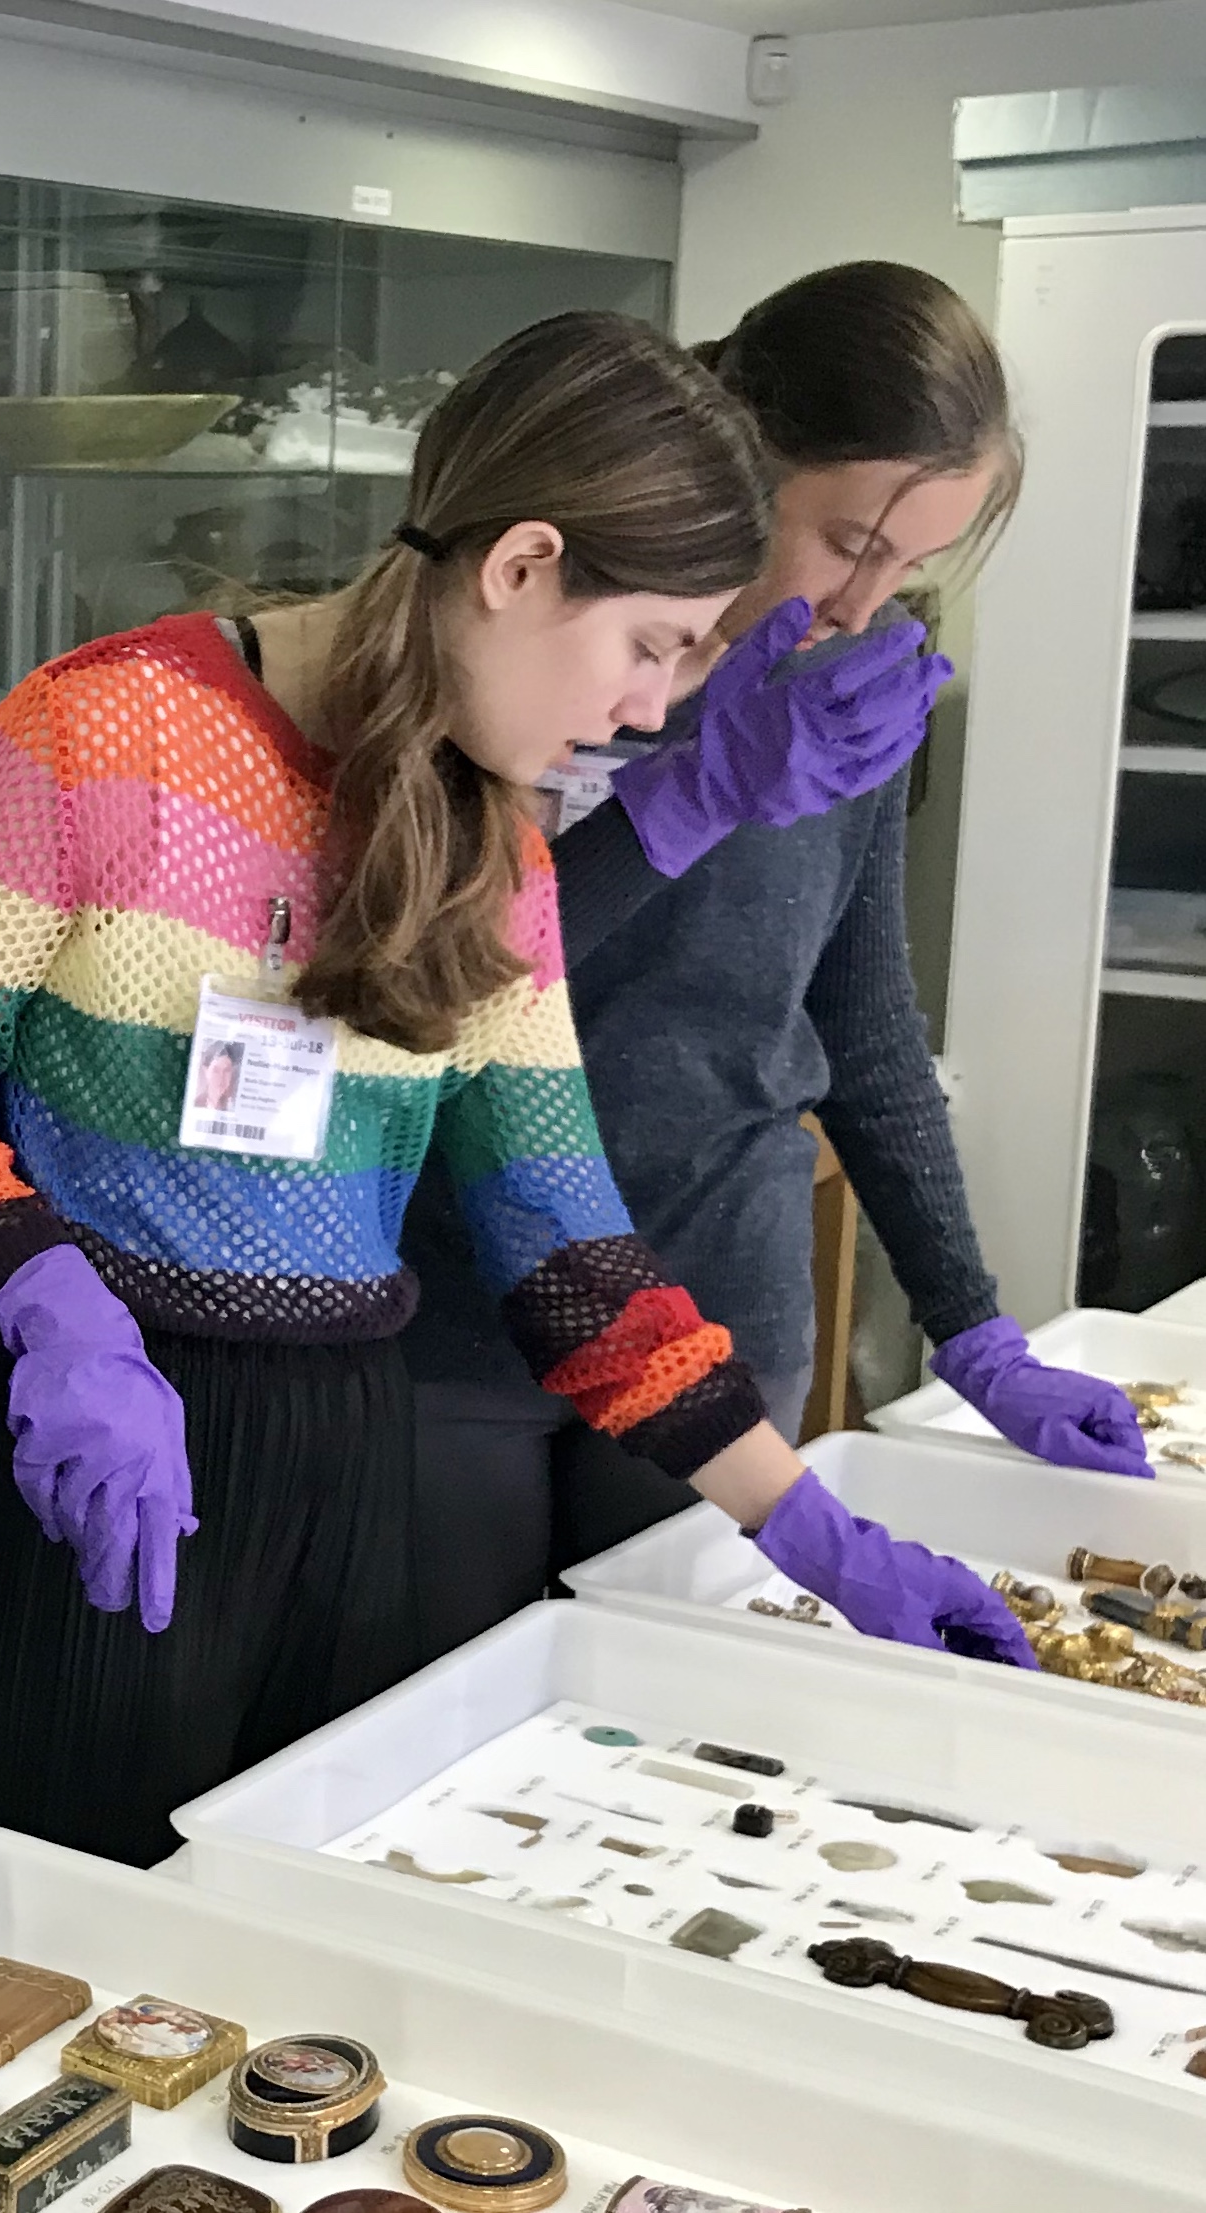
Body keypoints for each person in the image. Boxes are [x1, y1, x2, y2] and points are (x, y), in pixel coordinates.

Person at [0, 310, 1035, 1872]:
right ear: (523, 564)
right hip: (97, 1473)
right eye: (653, 642)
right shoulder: (99, 726)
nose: (656, 709)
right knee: (41, 1985)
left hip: (350, 1478)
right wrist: (43, 1300)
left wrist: (806, 1527)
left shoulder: (486, 843)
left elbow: (565, 1248)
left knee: (291, 2004)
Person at [398, 261, 1137, 1663]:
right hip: (457, 1307)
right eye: (847, 539)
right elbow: (452, 984)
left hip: (720, 1296)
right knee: (430, 1722)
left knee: (668, 1737)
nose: (868, 601)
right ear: (738, 460)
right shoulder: (533, 640)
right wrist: (682, 799)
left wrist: (971, 1327)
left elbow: (861, 1020)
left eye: (912, 561)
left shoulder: (845, 691)